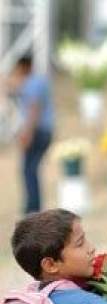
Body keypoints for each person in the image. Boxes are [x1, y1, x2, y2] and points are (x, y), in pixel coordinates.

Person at [10, 55, 54, 213]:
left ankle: (32, 207)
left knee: (29, 169)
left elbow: (34, 109)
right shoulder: (39, 81)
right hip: (44, 130)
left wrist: (27, 133)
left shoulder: (32, 83)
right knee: (31, 169)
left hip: (37, 130)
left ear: (23, 67)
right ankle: (33, 206)